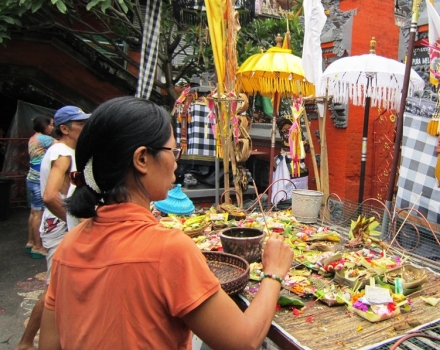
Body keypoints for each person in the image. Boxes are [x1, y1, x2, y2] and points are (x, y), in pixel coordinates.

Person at [39, 97, 293, 350]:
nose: (176, 161)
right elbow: (243, 341)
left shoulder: (69, 245)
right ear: (142, 159)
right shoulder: (167, 249)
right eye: (173, 151)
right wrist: (274, 273)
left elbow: (49, 344)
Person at [15, 106, 89, 350]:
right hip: (59, 225)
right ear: (64, 129)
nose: (85, 127)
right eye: (80, 124)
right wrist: (72, 221)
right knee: (54, 290)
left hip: (59, 223)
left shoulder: (67, 150)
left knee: (61, 288)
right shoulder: (63, 154)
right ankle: (26, 343)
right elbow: (49, 196)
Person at [25, 115, 55, 258]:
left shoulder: (33, 137)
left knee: (33, 212)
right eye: (50, 125)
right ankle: (38, 247)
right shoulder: (45, 139)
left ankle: (31, 242)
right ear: (44, 126)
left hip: (31, 177)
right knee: (39, 213)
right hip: (38, 179)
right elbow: (65, 144)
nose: (52, 128)